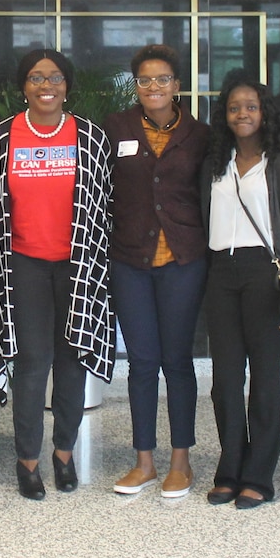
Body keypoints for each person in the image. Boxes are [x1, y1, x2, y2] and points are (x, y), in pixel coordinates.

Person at [0, 49, 114, 501]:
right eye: (36, 78)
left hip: (78, 264)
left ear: (67, 85)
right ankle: (28, 460)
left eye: (55, 77)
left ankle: (64, 453)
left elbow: (104, 207)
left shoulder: (90, 138)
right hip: (24, 264)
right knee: (33, 364)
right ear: (24, 86)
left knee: (72, 361)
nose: (46, 86)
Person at [199, 72, 280, 509]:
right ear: (224, 116)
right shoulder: (215, 162)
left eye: (250, 106)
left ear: (264, 113)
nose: (242, 114)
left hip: (267, 273)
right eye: (233, 107)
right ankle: (230, 470)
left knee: (265, 378)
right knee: (225, 380)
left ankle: (259, 477)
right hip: (220, 274)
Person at [104, 44, 210, 498]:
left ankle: (180, 462)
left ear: (177, 85)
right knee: (143, 362)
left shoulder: (200, 135)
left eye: (162, 79)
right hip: (129, 260)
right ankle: (144, 460)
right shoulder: (115, 129)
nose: (153, 87)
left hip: (183, 260)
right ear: (136, 85)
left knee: (177, 361)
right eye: (144, 80)